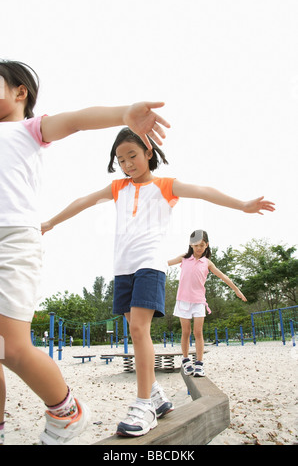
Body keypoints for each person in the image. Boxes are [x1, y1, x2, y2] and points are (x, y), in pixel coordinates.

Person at [41, 127, 275, 437]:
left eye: (132, 156)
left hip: (149, 266)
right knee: (134, 332)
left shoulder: (165, 186)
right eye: (120, 159)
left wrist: (242, 204)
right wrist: (50, 223)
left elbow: (204, 190)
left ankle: (144, 406)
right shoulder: (117, 188)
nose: (127, 164)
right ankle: (157, 396)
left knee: (139, 330)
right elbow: (84, 200)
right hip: (122, 270)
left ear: (148, 153)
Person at [0, 59, 170, 445]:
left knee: (10, 346)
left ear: (19, 92)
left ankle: (66, 411)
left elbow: (76, 119)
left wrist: (122, 114)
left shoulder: (29, 129)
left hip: (11, 239)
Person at [168, 229, 247, 377]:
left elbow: (223, 276)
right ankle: (186, 361)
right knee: (186, 332)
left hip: (198, 302)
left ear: (207, 245)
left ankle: (199, 364)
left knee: (198, 332)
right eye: (196, 245)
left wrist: (236, 290)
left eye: (202, 245)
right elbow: (165, 263)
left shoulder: (207, 263)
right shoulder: (184, 258)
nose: (199, 248)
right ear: (191, 245)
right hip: (183, 301)